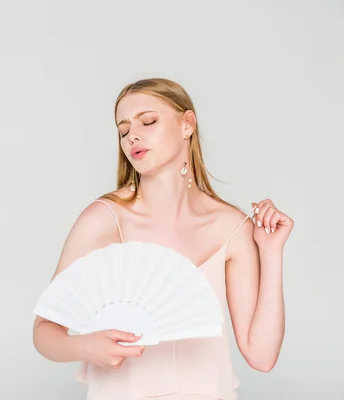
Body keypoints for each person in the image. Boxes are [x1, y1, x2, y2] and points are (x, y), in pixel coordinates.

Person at [32, 78, 293, 400]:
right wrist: (85, 345)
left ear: (187, 125)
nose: (133, 137)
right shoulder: (105, 218)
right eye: (123, 130)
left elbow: (261, 356)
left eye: (148, 121)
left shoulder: (231, 226)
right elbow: (45, 331)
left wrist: (271, 252)